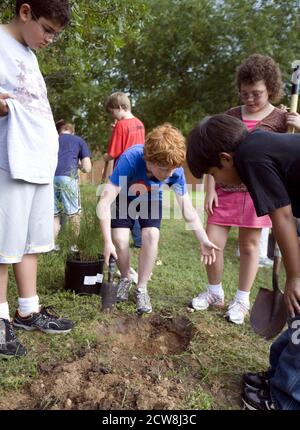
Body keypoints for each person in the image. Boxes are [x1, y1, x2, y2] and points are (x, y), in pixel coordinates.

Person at [187, 113, 300, 410]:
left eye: (214, 173)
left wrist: (295, 277)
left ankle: (284, 400)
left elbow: (283, 218)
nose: (218, 181)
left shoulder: (252, 158)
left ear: (225, 159)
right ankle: (277, 377)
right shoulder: (257, 146)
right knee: (296, 316)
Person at [0, 0, 74, 358]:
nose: (49, 40)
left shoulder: (29, 53)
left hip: (37, 161)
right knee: (2, 245)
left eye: (55, 36)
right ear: (25, 12)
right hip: (8, 162)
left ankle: (27, 309)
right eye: (47, 30)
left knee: (30, 242)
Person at [194, 54, 287, 325]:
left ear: (270, 88)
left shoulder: (282, 119)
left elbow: (288, 153)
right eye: (244, 93)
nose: (249, 99)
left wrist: (297, 126)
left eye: (256, 93)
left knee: (249, 246)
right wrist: (210, 188)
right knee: (212, 242)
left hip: (257, 194)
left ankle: (242, 300)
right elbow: (214, 155)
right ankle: (214, 292)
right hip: (224, 191)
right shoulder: (230, 116)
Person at [97, 123, 219, 315]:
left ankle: (142, 288)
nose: (169, 174)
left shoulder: (173, 171)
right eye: (164, 169)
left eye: (173, 169)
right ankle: (126, 277)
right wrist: (107, 242)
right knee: (120, 240)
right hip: (124, 194)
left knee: (151, 235)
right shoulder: (131, 158)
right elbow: (104, 202)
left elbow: (188, 209)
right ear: (149, 160)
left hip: (151, 196)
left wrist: (203, 239)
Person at [102, 92, 145, 249]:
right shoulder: (140, 123)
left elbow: (113, 153)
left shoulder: (120, 126)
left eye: (113, 112)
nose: (113, 116)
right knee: (137, 205)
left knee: (124, 208)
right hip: (139, 172)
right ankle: (139, 240)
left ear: (120, 107)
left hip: (123, 171)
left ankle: (121, 236)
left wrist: (105, 157)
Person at [54, 120, 92, 251]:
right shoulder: (79, 140)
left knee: (55, 214)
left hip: (50, 178)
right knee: (74, 214)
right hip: (68, 178)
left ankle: (53, 246)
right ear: (72, 130)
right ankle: (73, 246)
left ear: (59, 130)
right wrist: (80, 165)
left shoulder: (52, 139)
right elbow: (87, 168)